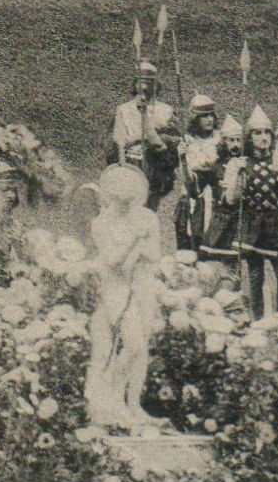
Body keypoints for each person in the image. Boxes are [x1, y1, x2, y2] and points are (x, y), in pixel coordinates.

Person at [83, 164, 166, 431]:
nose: (125, 199)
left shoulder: (148, 218)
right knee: (132, 346)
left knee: (142, 351)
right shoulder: (101, 222)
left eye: (129, 193)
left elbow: (154, 254)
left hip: (143, 286)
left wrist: (139, 246)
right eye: (119, 194)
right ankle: (111, 397)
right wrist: (133, 242)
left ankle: (133, 405)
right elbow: (113, 261)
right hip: (115, 289)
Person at [224, 105, 278, 319]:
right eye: (258, 133)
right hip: (253, 224)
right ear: (249, 137)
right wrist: (238, 176)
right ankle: (257, 320)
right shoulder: (240, 164)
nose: (263, 137)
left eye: (267, 132)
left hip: (276, 224)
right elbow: (231, 199)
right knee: (255, 276)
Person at [107, 60, 179, 210]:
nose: (144, 87)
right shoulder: (123, 109)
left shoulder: (165, 111)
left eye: (149, 82)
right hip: (131, 163)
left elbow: (161, 144)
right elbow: (120, 141)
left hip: (154, 166)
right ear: (134, 84)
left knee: (148, 209)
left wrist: (146, 129)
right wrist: (123, 168)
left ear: (155, 85)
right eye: (141, 82)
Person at [196, 115, 245, 272]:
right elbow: (197, 185)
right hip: (220, 217)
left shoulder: (246, 163)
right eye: (231, 140)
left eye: (238, 140)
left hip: (240, 218)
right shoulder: (216, 165)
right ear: (224, 142)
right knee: (211, 260)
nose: (235, 144)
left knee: (233, 264)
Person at [173, 94, 221, 255]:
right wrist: (182, 157)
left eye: (211, 115)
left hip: (214, 199)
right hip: (192, 199)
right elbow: (186, 175)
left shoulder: (220, 140)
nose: (209, 120)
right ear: (195, 119)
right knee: (187, 249)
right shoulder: (187, 142)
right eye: (204, 116)